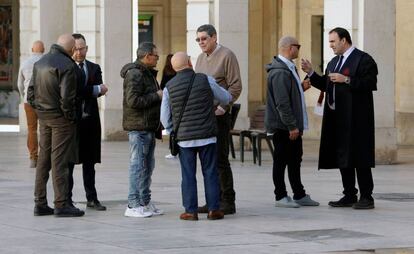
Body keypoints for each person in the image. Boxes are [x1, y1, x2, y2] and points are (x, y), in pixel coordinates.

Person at [301, 27, 378, 209]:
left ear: (344, 40)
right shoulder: (334, 62)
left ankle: (367, 197)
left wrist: (347, 80)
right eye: (329, 42)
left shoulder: (363, 59)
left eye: (333, 42)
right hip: (338, 118)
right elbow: (327, 86)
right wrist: (312, 74)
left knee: (360, 156)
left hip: (358, 119)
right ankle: (349, 194)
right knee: (344, 156)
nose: (330, 46)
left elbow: (370, 83)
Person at [160, 52, 232, 221]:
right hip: (207, 136)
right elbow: (226, 97)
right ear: (190, 63)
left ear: (173, 67)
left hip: (185, 140)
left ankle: (191, 211)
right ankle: (214, 209)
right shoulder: (205, 79)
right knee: (211, 172)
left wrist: (174, 130)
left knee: (188, 175)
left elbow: (164, 117)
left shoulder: (169, 87)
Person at [27, 34, 84, 217]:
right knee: (59, 161)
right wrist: (70, 117)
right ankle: (61, 204)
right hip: (60, 119)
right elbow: (67, 98)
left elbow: (31, 94)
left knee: (44, 159)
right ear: (71, 50)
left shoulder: (40, 62)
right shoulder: (67, 65)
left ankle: (40, 202)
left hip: (44, 117)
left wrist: (41, 111)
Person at [265, 36, 319, 208]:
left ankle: (299, 194)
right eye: (298, 46)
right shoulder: (280, 71)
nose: (299, 49)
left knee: (295, 160)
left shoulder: (289, 68)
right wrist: (292, 126)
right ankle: (280, 196)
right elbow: (282, 103)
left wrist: (300, 88)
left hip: (291, 126)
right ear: (290, 48)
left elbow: (288, 95)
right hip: (284, 127)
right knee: (281, 161)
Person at [195, 24, 242, 215]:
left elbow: (236, 86)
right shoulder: (199, 58)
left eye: (204, 38)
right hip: (204, 116)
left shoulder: (227, 55)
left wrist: (224, 107)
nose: (201, 43)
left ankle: (228, 201)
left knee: (220, 159)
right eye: (198, 40)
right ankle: (212, 200)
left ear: (214, 37)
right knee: (207, 159)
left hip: (220, 115)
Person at [120, 42, 164, 218]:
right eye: (156, 56)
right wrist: (157, 96)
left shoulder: (147, 73)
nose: (158, 59)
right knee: (137, 165)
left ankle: (144, 201)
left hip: (148, 127)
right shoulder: (135, 74)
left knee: (147, 165)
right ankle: (133, 204)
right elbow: (133, 101)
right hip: (138, 127)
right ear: (147, 56)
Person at [67, 33, 108, 211]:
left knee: (89, 162)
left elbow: (99, 90)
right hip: (72, 122)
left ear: (87, 48)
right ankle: (66, 199)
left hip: (91, 121)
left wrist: (95, 89)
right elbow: (75, 91)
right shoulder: (67, 68)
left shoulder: (94, 67)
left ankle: (92, 198)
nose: (78, 52)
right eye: (75, 49)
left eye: (81, 48)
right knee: (69, 163)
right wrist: (95, 89)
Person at [17, 40, 44, 168]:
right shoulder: (47, 62)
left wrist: (25, 97)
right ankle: (45, 157)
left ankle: (33, 158)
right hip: (45, 101)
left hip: (29, 101)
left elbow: (19, 84)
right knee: (46, 129)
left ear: (32, 50)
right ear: (43, 50)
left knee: (32, 129)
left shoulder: (25, 63)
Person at [160, 53, 177, 159]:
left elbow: (163, 85)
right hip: (177, 99)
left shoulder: (166, 70)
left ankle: (173, 150)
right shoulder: (177, 71)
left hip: (169, 99)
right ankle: (176, 150)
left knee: (171, 128)